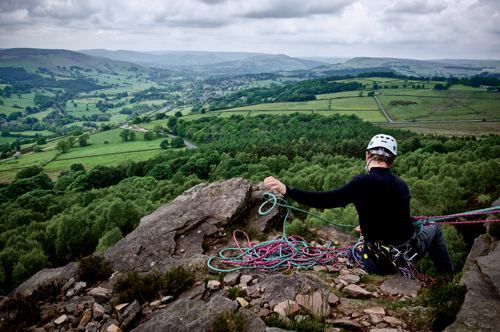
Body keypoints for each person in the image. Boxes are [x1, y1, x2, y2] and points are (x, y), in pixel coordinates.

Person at [264, 134, 454, 274]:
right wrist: (368, 225)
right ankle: (449, 279)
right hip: (408, 251)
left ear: (367, 156)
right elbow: (396, 217)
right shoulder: (401, 185)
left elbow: (327, 199)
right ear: (392, 160)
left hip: (378, 257)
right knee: (434, 228)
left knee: (428, 229)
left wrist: (287, 190)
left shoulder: (362, 182)